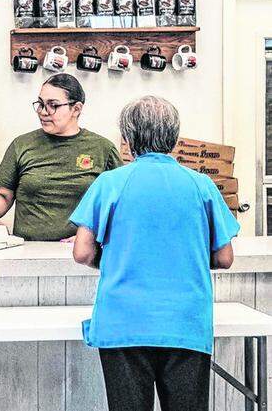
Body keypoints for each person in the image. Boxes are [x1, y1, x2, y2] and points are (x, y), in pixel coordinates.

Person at [70, 96, 239, 411]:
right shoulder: (201, 185)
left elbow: (82, 252)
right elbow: (225, 258)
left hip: (123, 324)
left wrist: (112, 259)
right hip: (185, 324)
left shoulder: (109, 183)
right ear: (174, 139)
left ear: (128, 138)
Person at [0, 73, 121, 241]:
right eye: (40, 104)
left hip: (81, 254)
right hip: (28, 253)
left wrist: (93, 235)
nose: (43, 112)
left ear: (76, 109)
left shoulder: (103, 148)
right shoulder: (22, 144)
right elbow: (4, 195)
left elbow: (120, 204)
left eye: (52, 105)